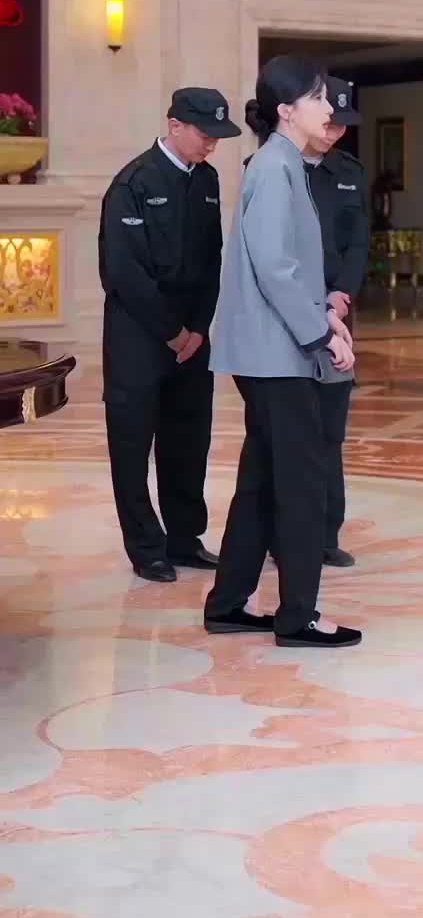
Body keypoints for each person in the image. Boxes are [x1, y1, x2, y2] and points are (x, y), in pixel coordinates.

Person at [204, 54, 363, 649]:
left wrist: (325, 314)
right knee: (301, 483)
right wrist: (320, 332)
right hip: (277, 353)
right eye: (318, 98)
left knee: (263, 480)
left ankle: (228, 603)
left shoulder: (283, 163)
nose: (328, 107)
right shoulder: (275, 168)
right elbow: (274, 266)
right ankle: (298, 616)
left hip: (273, 348)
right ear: (286, 111)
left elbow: (289, 263)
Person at [98, 88, 241, 583]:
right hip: (139, 337)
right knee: (132, 445)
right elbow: (123, 272)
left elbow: (212, 259)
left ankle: (184, 538)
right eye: (205, 133)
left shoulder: (207, 180)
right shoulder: (133, 182)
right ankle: (145, 547)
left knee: (188, 442)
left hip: (192, 341)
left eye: (218, 136)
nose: (212, 144)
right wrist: (172, 331)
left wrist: (198, 329)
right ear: (175, 125)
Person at [308, 76, 369, 566]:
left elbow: (358, 242)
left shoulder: (350, 173)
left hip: (339, 316)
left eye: (342, 126)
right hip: (292, 314)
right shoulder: (276, 168)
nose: (334, 133)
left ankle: (326, 534)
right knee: (284, 433)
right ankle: (280, 533)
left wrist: (342, 295)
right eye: (329, 123)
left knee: (331, 431)